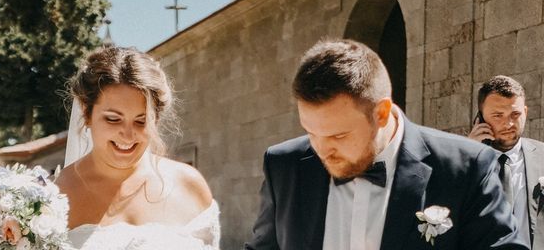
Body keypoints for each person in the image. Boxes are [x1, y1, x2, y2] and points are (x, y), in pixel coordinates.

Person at [245, 38, 528, 250]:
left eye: (338, 136)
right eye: (310, 132)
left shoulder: (467, 168)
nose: (320, 149)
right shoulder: (284, 165)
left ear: (381, 113)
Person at [57, 46, 220, 250]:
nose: (128, 134)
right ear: (86, 113)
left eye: (141, 121)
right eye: (113, 119)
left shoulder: (190, 185)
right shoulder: (55, 196)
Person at [468, 75, 544, 249]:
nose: (508, 123)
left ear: (525, 112)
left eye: (515, 114)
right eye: (497, 115)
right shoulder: (463, 162)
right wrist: (469, 154)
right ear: (480, 118)